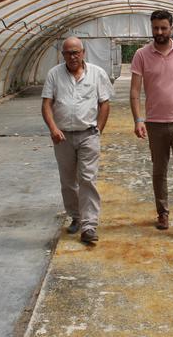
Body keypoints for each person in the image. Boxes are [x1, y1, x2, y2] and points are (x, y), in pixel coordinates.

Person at [130, 10, 173, 243]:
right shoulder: (141, 55)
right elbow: (134, 92)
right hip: (155, 124)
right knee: (159, 171)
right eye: (155, 28)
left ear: (172, 28)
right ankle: (163, 213)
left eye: (163, 28)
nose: (159, 32)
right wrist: (138, 119)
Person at [41, 37, 112, 244]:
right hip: (62, 136)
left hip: (88, 134)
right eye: (67, 53)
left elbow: (104, 104)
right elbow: (46, 105)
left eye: (75, 52)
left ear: (83, 53)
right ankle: (76, 216)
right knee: (68, 181)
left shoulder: (97, 73)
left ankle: (89, 225)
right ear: (62, 55)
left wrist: (98, 128)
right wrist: (53, 128)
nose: (72, 56)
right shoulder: (54, 74)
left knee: (88, 179)